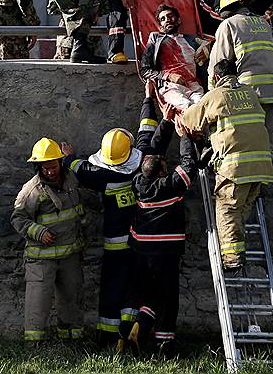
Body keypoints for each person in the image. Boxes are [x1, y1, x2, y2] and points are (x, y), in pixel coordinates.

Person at [117, 88, 197, 357]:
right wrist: (184, 134)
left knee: (149, 293)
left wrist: (166, 121)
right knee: (168, 296)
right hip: (166, 251)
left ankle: (137, 326)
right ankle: (165, 342)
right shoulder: (170, 186)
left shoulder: (139, 182)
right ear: (164, 170)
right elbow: (189, 164)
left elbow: (154, 151)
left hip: (141, 249)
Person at [181, 59, 273, 271]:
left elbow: (190, 121)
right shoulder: (251, 93)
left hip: (235, 168)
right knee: (241, 207)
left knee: (227, 210)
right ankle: (237, 250)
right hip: (261, 167)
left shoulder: (216, 95)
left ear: (215, 78)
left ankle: (232, 258)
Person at [61, 125, 143, 347]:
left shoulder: (102, 175)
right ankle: (130, 330)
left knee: (112, 288)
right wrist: (149, 99)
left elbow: (81, 168)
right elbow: (146, 134)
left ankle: (108, 338)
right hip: (138, 241)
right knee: (134, 286)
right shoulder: (141, 165)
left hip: (115, 245)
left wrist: (68, 157)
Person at [11, 138, 87, 346]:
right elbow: (18, 218)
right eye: (45, 169)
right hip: (41, 258)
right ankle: (33, 344)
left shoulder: (72, 180)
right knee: (38, 302)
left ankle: (73, 340)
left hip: (70, 255)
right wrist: (38, 232)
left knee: (72, 298)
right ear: (38, 167)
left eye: (53, 167)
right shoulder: (31, 190)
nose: (50, 172)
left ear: (60, 163)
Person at [207, 0, 273, 153]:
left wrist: (212, 95)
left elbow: (218, 65)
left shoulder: (229, 24)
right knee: (267, 150)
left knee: (247, 149)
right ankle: (267, 178)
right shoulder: (263, 24)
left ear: (226, 10)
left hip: (249, 96)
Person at [139, 4, 205, 111]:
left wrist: (205, 45)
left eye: (170, 16)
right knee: (188, 109)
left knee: (201, 111)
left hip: (195, 86)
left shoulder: (192, 39)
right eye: (163, 19)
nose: (167, 20)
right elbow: (145, 70)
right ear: (160, 27)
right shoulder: (155, 38)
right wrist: (169, 76)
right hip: (171, 87)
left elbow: (209, 48)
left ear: (178, 21)